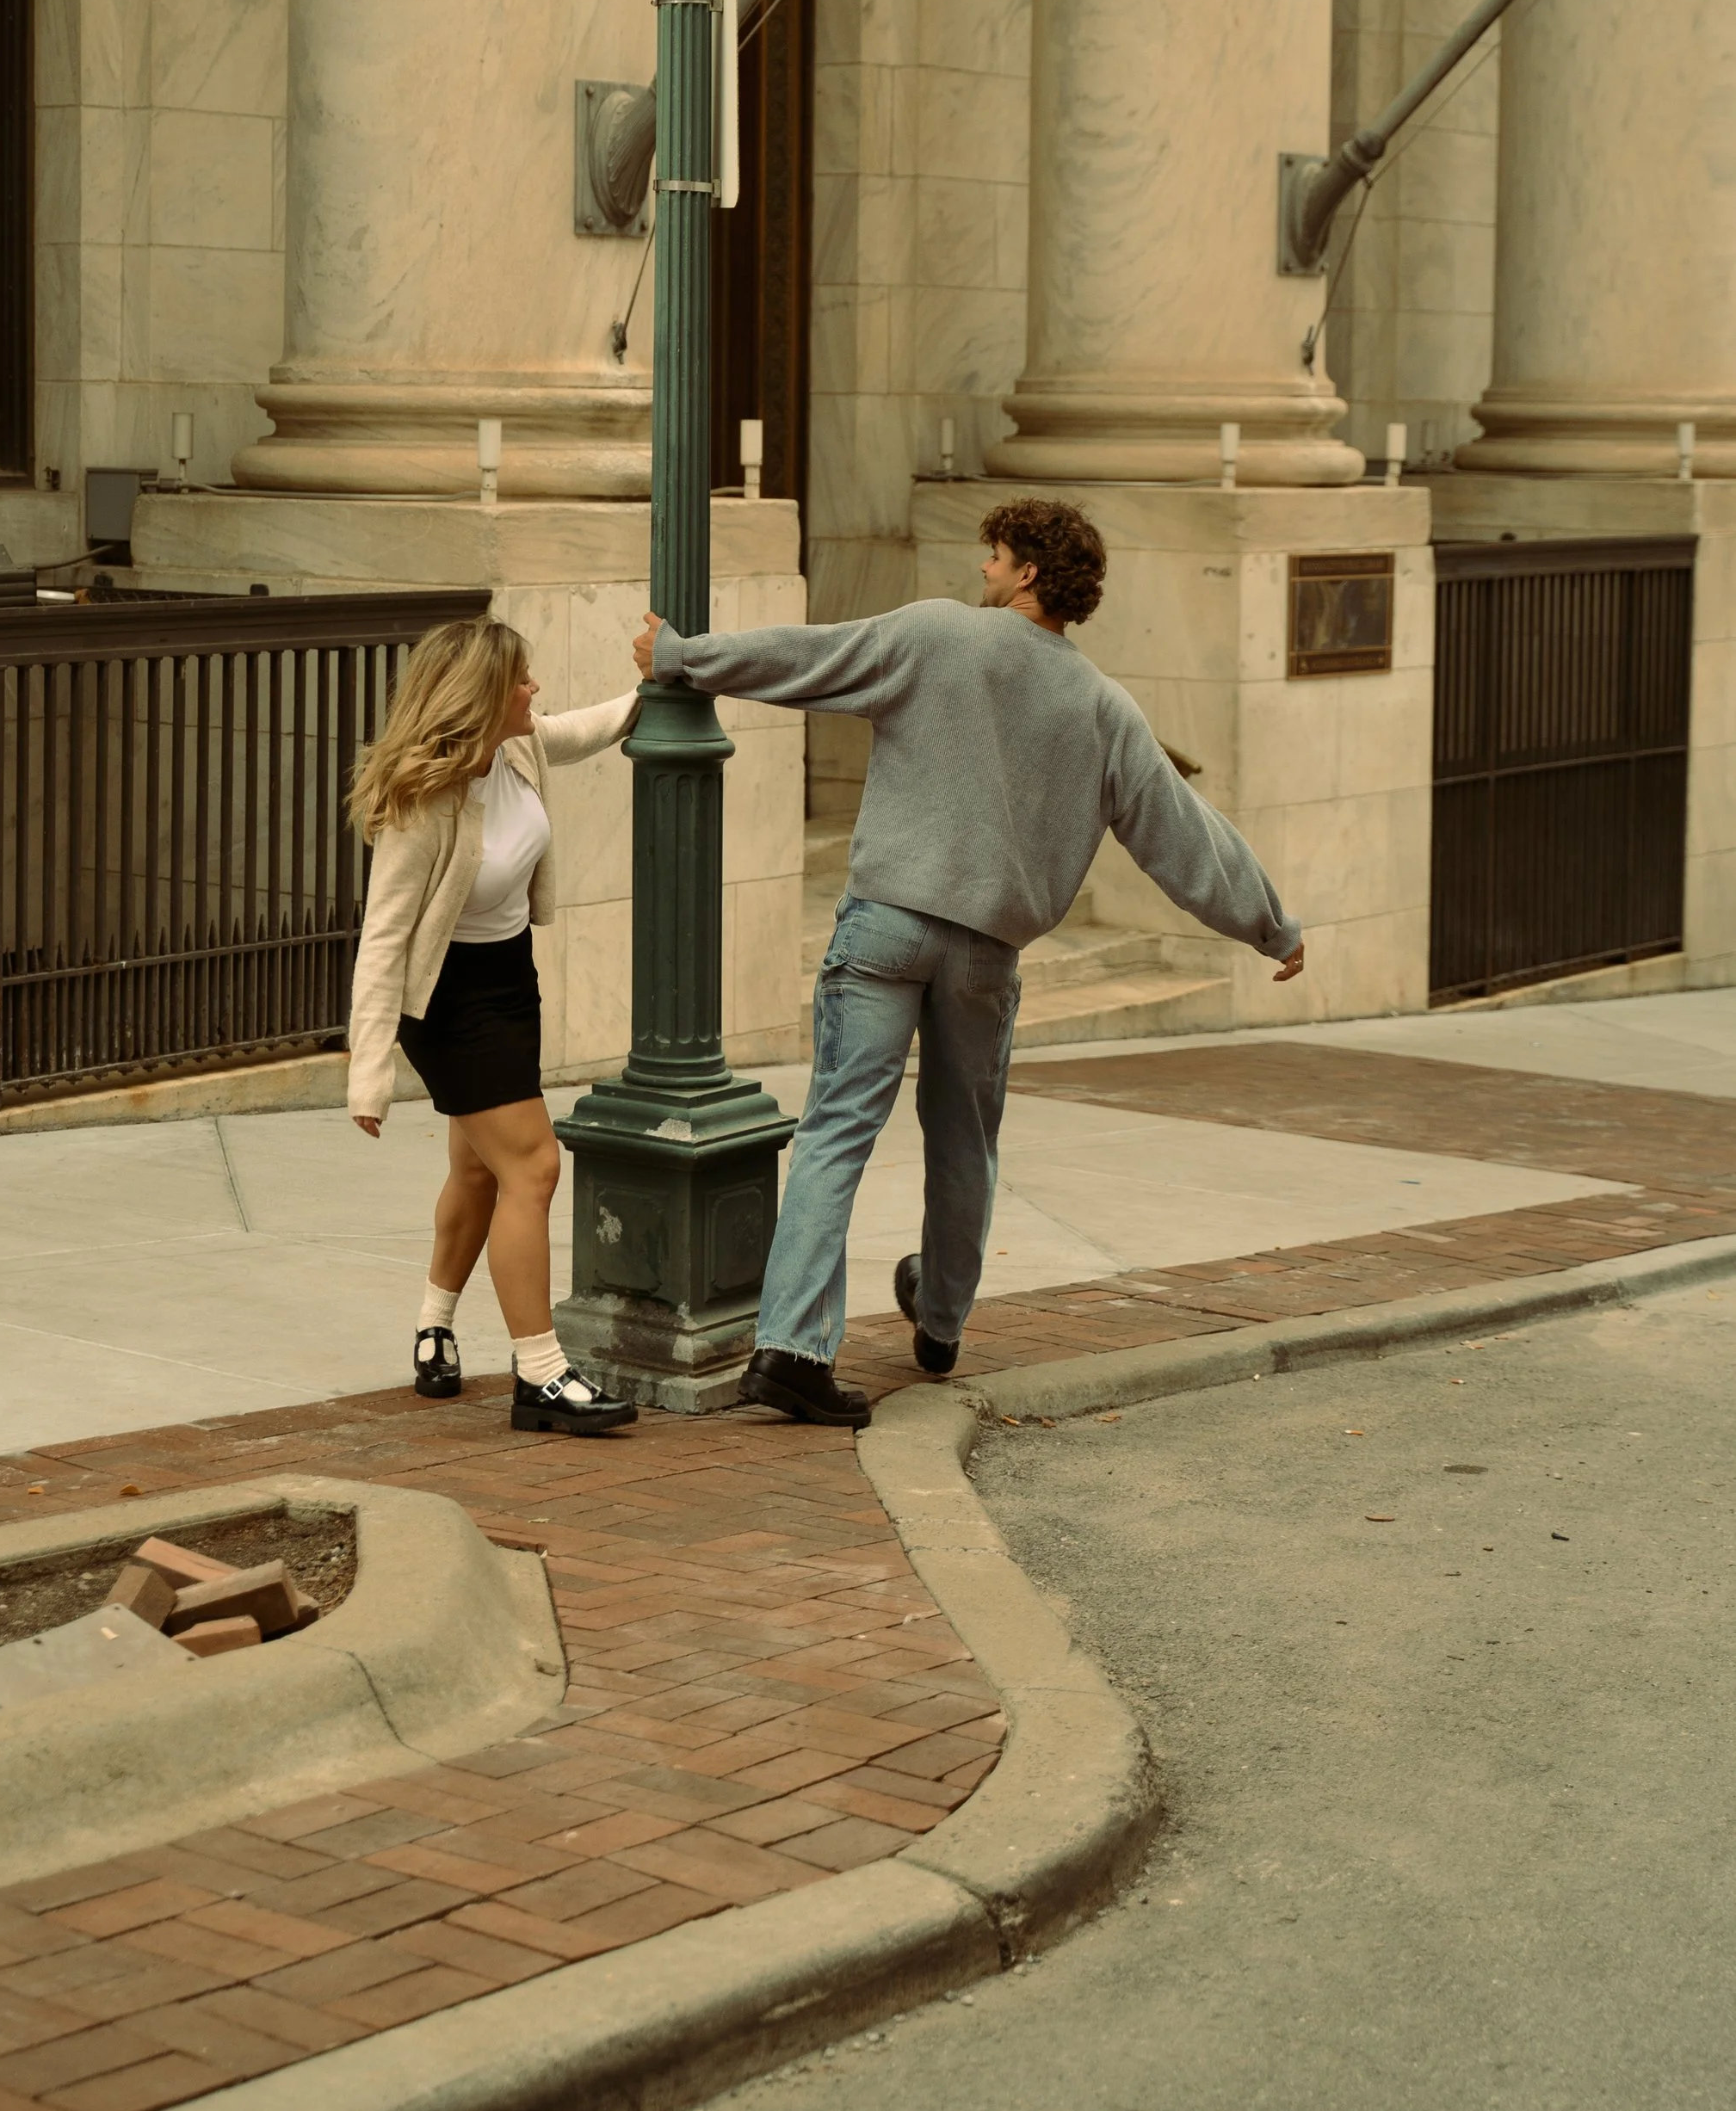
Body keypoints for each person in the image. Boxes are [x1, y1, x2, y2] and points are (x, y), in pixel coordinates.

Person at [633, 497, 1305, 1427]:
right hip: (986, 954)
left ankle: (791, 1348)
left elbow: (806, 657)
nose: (979, 569)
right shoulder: (1105, 708)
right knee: (964, 1143)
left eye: (991, 556)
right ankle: (941, 1320)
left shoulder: (938, 636)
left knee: (836, 1132)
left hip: (885, 929)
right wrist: (1271, 925)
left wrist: (682, 659)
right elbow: (1181, 838)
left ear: (1028, 572)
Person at [346, 617, 640, 1435]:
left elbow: (585, 728)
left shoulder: (517, 748)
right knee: (535, 1167)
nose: (534, 690)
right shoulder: (424, 802)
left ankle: (434, 1325)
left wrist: (662, 683)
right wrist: (369, 1072)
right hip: (446, 1004)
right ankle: (540, 1373)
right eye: (521, 680)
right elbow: (384, 942)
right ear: (481, 696)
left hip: (510, 982)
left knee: (481, 1173)